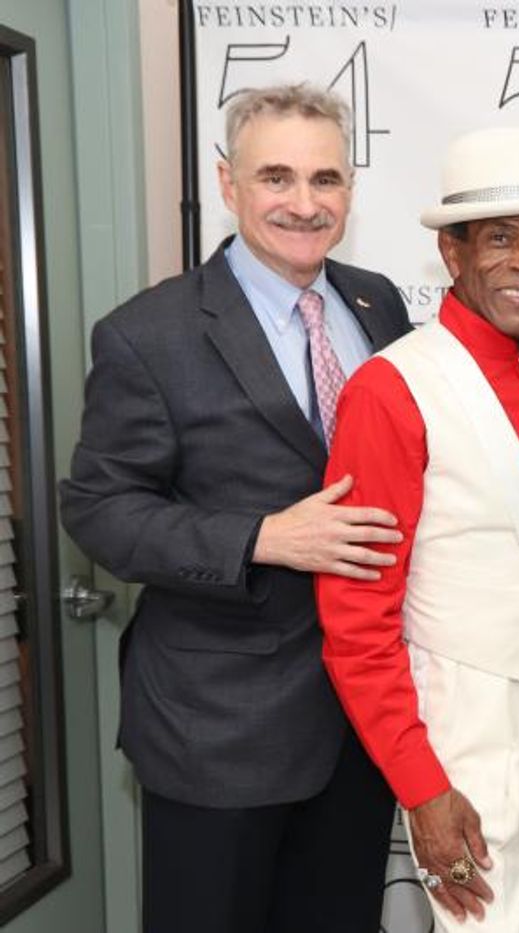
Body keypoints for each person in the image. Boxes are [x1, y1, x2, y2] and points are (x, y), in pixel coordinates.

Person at [59, 84, 410, 933]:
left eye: (325, 179)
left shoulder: (379, 303)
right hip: (217, 733)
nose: (304, 202)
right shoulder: (149, 333)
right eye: (276, 177)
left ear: (351, 190)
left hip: (360, 723)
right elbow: (98, 506)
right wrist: (261, 538)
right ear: (228, 183)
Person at [316, 126, 519, 933]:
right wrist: (420, 781)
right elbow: (355, 619)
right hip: (465, 715)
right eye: (502, 239)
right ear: (452, 253)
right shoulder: (389, 390)